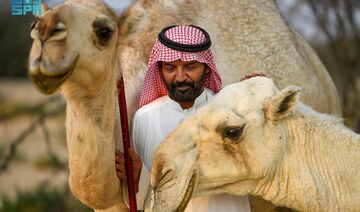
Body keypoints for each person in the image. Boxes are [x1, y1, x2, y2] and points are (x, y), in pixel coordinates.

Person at [115, 25, 257, 211]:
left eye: (190, 66)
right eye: (171, 68)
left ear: (207, 68)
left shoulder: (231, 111)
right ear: (160, 69)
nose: (180, 77)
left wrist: (259, 107)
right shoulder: (144, 119)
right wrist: (137, 177)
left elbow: (256, 173)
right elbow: (143, 200)